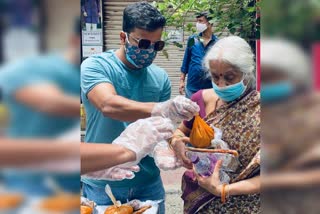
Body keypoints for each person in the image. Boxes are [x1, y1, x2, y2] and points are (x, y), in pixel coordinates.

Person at [80, 2, 199, 212]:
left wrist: (173, 144)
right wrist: (160, 108)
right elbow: (107, 104)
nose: (150, 51)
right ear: (123, 37)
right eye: (143, 43)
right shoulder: (96, 66)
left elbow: (162, 129)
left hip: (148, 182)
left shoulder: (160, 77)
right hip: (102, 178)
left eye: (157, 45)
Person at [170, 36, 260, 213]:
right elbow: (180, 132)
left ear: (247, 72)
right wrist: (177, 143)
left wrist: (223, 190)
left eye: (229, 77)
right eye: (215, 77)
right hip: (201, 203)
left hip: (247, 205)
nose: (221, 84)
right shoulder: (200, 99)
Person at [0, 20, 81, 196]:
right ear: (75, 40)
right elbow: (50, 103)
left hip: (73, 176)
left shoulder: (86, 72)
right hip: (30, 178)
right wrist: (98, 105)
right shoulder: (35, 66)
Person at [179, 11, 218, 98]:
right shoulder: (193, 39)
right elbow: (186, 60)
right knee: (191, 111)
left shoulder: (217, 43)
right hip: (192, 87)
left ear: (210, 23)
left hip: (210, 88)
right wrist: (181, 80)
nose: (198, 24)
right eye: (197, 21)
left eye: (200, 21)